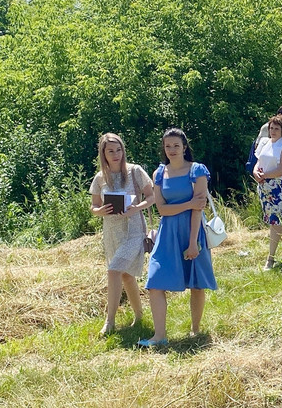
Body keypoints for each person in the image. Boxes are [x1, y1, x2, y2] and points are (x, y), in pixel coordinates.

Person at [138, 128, 217, 347]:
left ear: (184, 147)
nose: (171, 150)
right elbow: (162, 209)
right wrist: (189, 203)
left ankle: (195, 330)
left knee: (197, 283)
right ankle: (159, 336)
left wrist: (193, 242)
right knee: (155, 282)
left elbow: (198, 209)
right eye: (167, 146)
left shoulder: (197, 170)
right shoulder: (159, 173)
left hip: (192, 230)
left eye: (176, 145)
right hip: (167, 233)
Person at [89, 133, 154, 336]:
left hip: (134, 230)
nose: (116, 154)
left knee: (114, 270)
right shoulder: (100, 178)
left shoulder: (135, 171)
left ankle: (110, 321)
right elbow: (94, 205)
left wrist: (136, 208)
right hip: (112, 232)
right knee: (125, 275)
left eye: (119, 150)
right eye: (111, 151)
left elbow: (152, 196)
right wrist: (100, 211)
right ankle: (139, 315)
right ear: (104, 154)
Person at [253, 115, 282, 270]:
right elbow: (257, 163)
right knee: (273, 222)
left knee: (276, 222)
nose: (273, 131)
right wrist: (256, 173)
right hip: (263, 186)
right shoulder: (265, 142)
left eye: (277, 128)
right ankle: (272, 258)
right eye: (271, 128)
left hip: (278, 187)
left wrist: (265, 175)